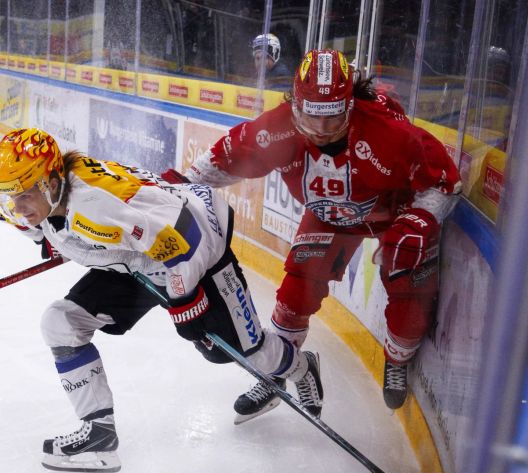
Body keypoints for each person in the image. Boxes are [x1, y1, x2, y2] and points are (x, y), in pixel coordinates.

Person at [0, 128, 324, 473]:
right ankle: (99, 435)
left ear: (52, 181)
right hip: (137, 260)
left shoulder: (97, 207)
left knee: (235, 350)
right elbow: (48, 223)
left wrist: (185, 302)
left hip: (197, 242)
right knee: (61, 323)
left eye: (25, 194)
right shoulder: (49, 195)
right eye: (9, 197)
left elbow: (184, 239)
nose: (17, 206)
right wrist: (48, 235)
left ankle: (300, 367)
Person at [168, 49, 461, 412]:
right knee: (296, 290)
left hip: (393, 214)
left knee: (407, 286)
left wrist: (421, 221)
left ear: (350, 104)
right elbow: (221, 160)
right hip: (328, 217)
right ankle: (277, 370)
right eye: (311, 115)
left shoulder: (390, 133)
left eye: (333, 116)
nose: (321, 130)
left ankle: (397, 360)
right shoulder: (276, 129)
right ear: (295, 102)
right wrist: (177, 190)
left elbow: (445, 180)